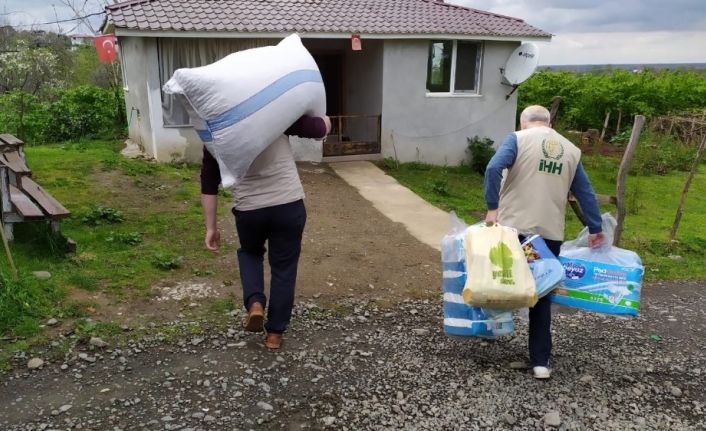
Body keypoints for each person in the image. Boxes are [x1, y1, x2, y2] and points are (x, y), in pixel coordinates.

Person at [483, 105, 605, 379]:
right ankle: (540, 362)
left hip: (512, 229)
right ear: (549, 123)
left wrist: (492, 207)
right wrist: (595, 228)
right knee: (541, 295)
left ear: (524, 122)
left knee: (496, 280)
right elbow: (585, 191)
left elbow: (493, 168)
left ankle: (487, 332)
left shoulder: (517, 138)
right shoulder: (571, 150)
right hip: (549, 234)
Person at [201, 115, 331, 349]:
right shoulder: (275, 110)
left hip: (250, 210)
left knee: (250, 254)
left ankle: (255, 304)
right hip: (288, 205)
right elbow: (318, 129)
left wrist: (211, 227)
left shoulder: (217, 127)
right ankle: (274, 335)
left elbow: (209, 181)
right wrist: (326, 120)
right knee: (284, 268)